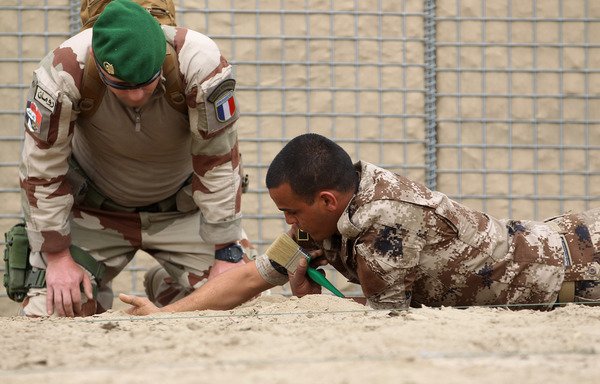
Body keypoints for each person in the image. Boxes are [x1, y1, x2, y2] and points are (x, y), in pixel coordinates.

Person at [119, 133, 600, 315]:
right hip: (556, 239)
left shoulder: (385, 219)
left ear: (327, 199)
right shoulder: (325, 221)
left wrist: (317, 291)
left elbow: (387, 311)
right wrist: (166, 317)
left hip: (580, 269)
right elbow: (255, 273)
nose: (288, 224)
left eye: (292, 213)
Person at [19, 0, 254, 317]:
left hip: (184, 212)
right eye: (120, 85)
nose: (135, 96)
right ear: (101, 67)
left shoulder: (199, 62)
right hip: (93, 213)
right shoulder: (65, 70)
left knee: (243, 299)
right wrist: (57, 255)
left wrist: (226, 250)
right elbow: (41, 171)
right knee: (49, 309)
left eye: (146, 83)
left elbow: (218, 160)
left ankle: (167, 285)